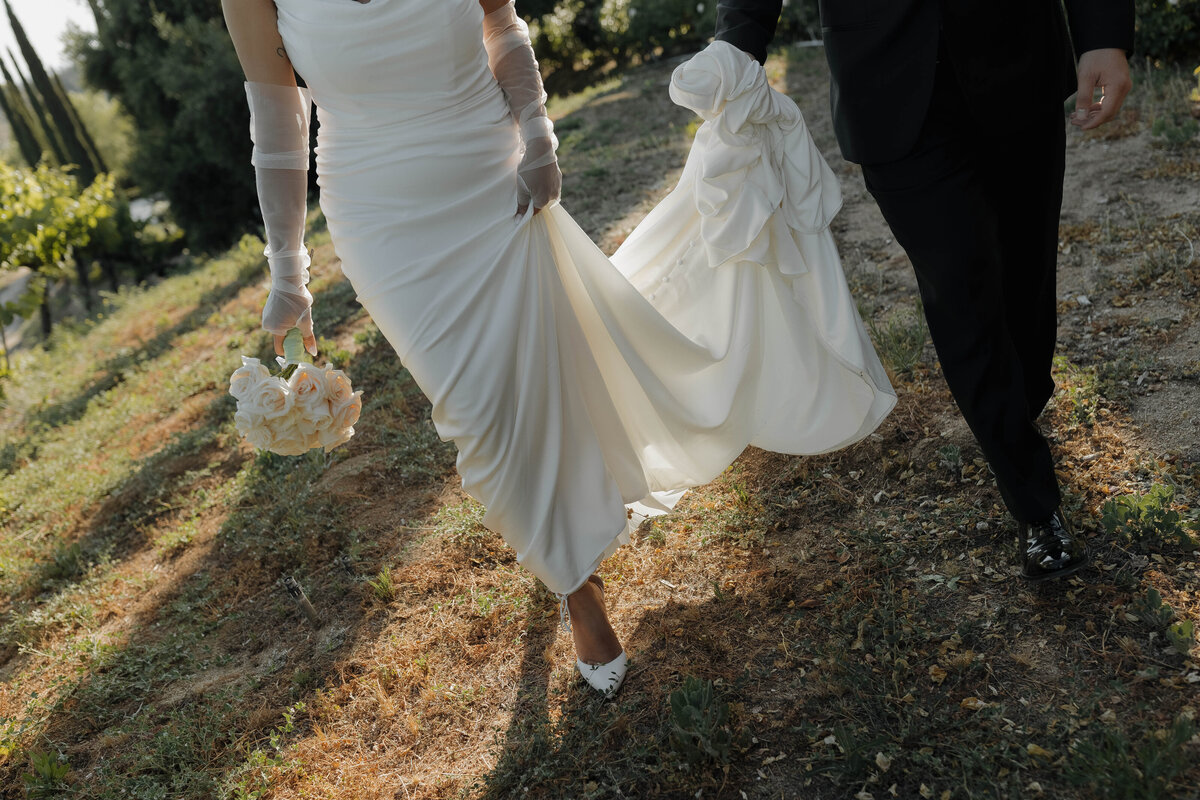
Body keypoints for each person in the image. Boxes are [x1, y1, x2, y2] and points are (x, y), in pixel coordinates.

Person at [221, 0, 896, 697]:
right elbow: (276, 114)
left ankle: (570, 559)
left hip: (489, 173)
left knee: (545, 359)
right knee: (477, 408)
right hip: (379, 217)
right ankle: (577, 584)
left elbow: (500, 24)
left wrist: (537, 135)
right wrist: (288, 270)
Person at [715, 0, 1135, 582]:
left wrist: (1104, 34)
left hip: (1018, 53)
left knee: (1026, 280)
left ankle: (1020, 409)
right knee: (960, 289)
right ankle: (1035, 504)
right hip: (886, 79)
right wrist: (737, 43)